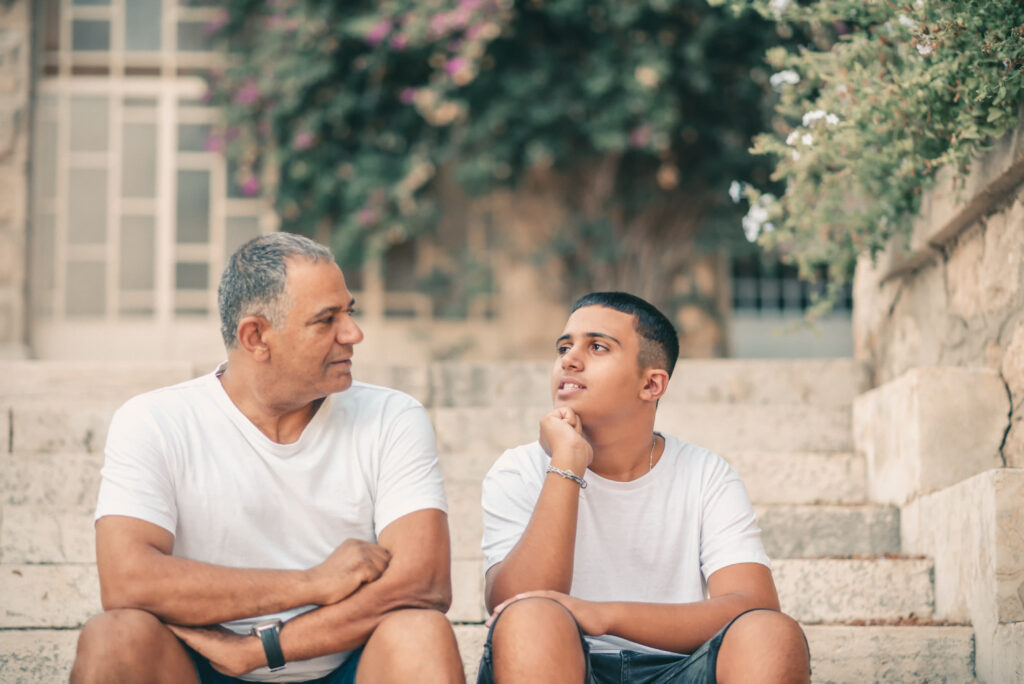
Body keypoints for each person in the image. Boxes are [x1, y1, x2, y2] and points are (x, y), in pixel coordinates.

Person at [70, 233, 465, 684]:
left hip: (349, 668)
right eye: (326, 320)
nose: (353, 333)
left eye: (348, 312)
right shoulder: (155, 421)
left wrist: (262, 648)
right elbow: (127, 582)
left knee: (421, 632)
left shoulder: (392, 416)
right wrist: (310, 583)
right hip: (201, 668)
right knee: (114, 636)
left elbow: (423, 582)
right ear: (255, 336)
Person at [477, 292, 810, 684]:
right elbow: (516, 605)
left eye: (597, 346)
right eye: (564, 347)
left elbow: (753, 604)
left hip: (679, 669)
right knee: (532, 620)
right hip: (559, 664)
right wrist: (566, 462)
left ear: (652, 384)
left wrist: (604, 615)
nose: (569, 359)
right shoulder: (519, 470)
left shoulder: (705, 474)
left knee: (770, 634)